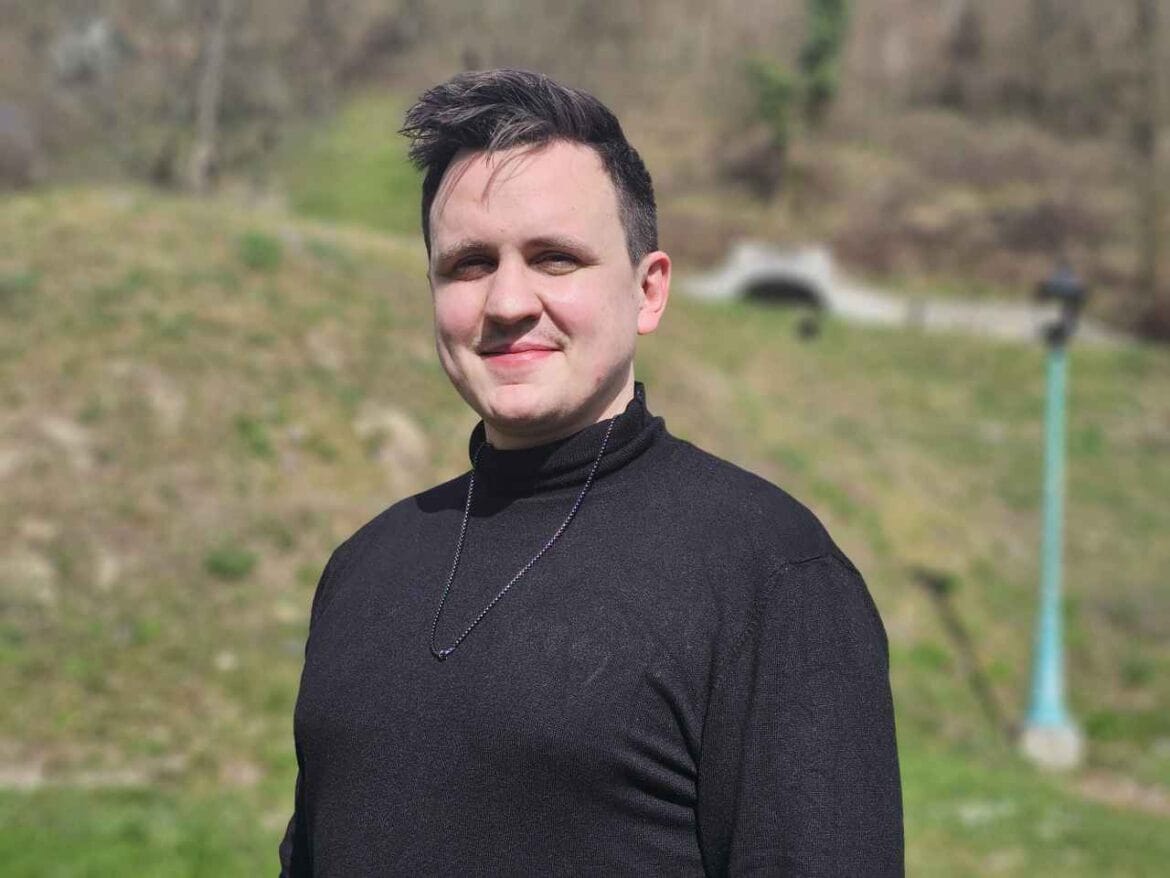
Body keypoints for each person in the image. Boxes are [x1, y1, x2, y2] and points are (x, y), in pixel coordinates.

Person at [280, 68, 903, 876]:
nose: (507, 302)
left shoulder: (769, 574)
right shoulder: (364, 567)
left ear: (648, 291)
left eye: (555, 259)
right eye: (469, 264)